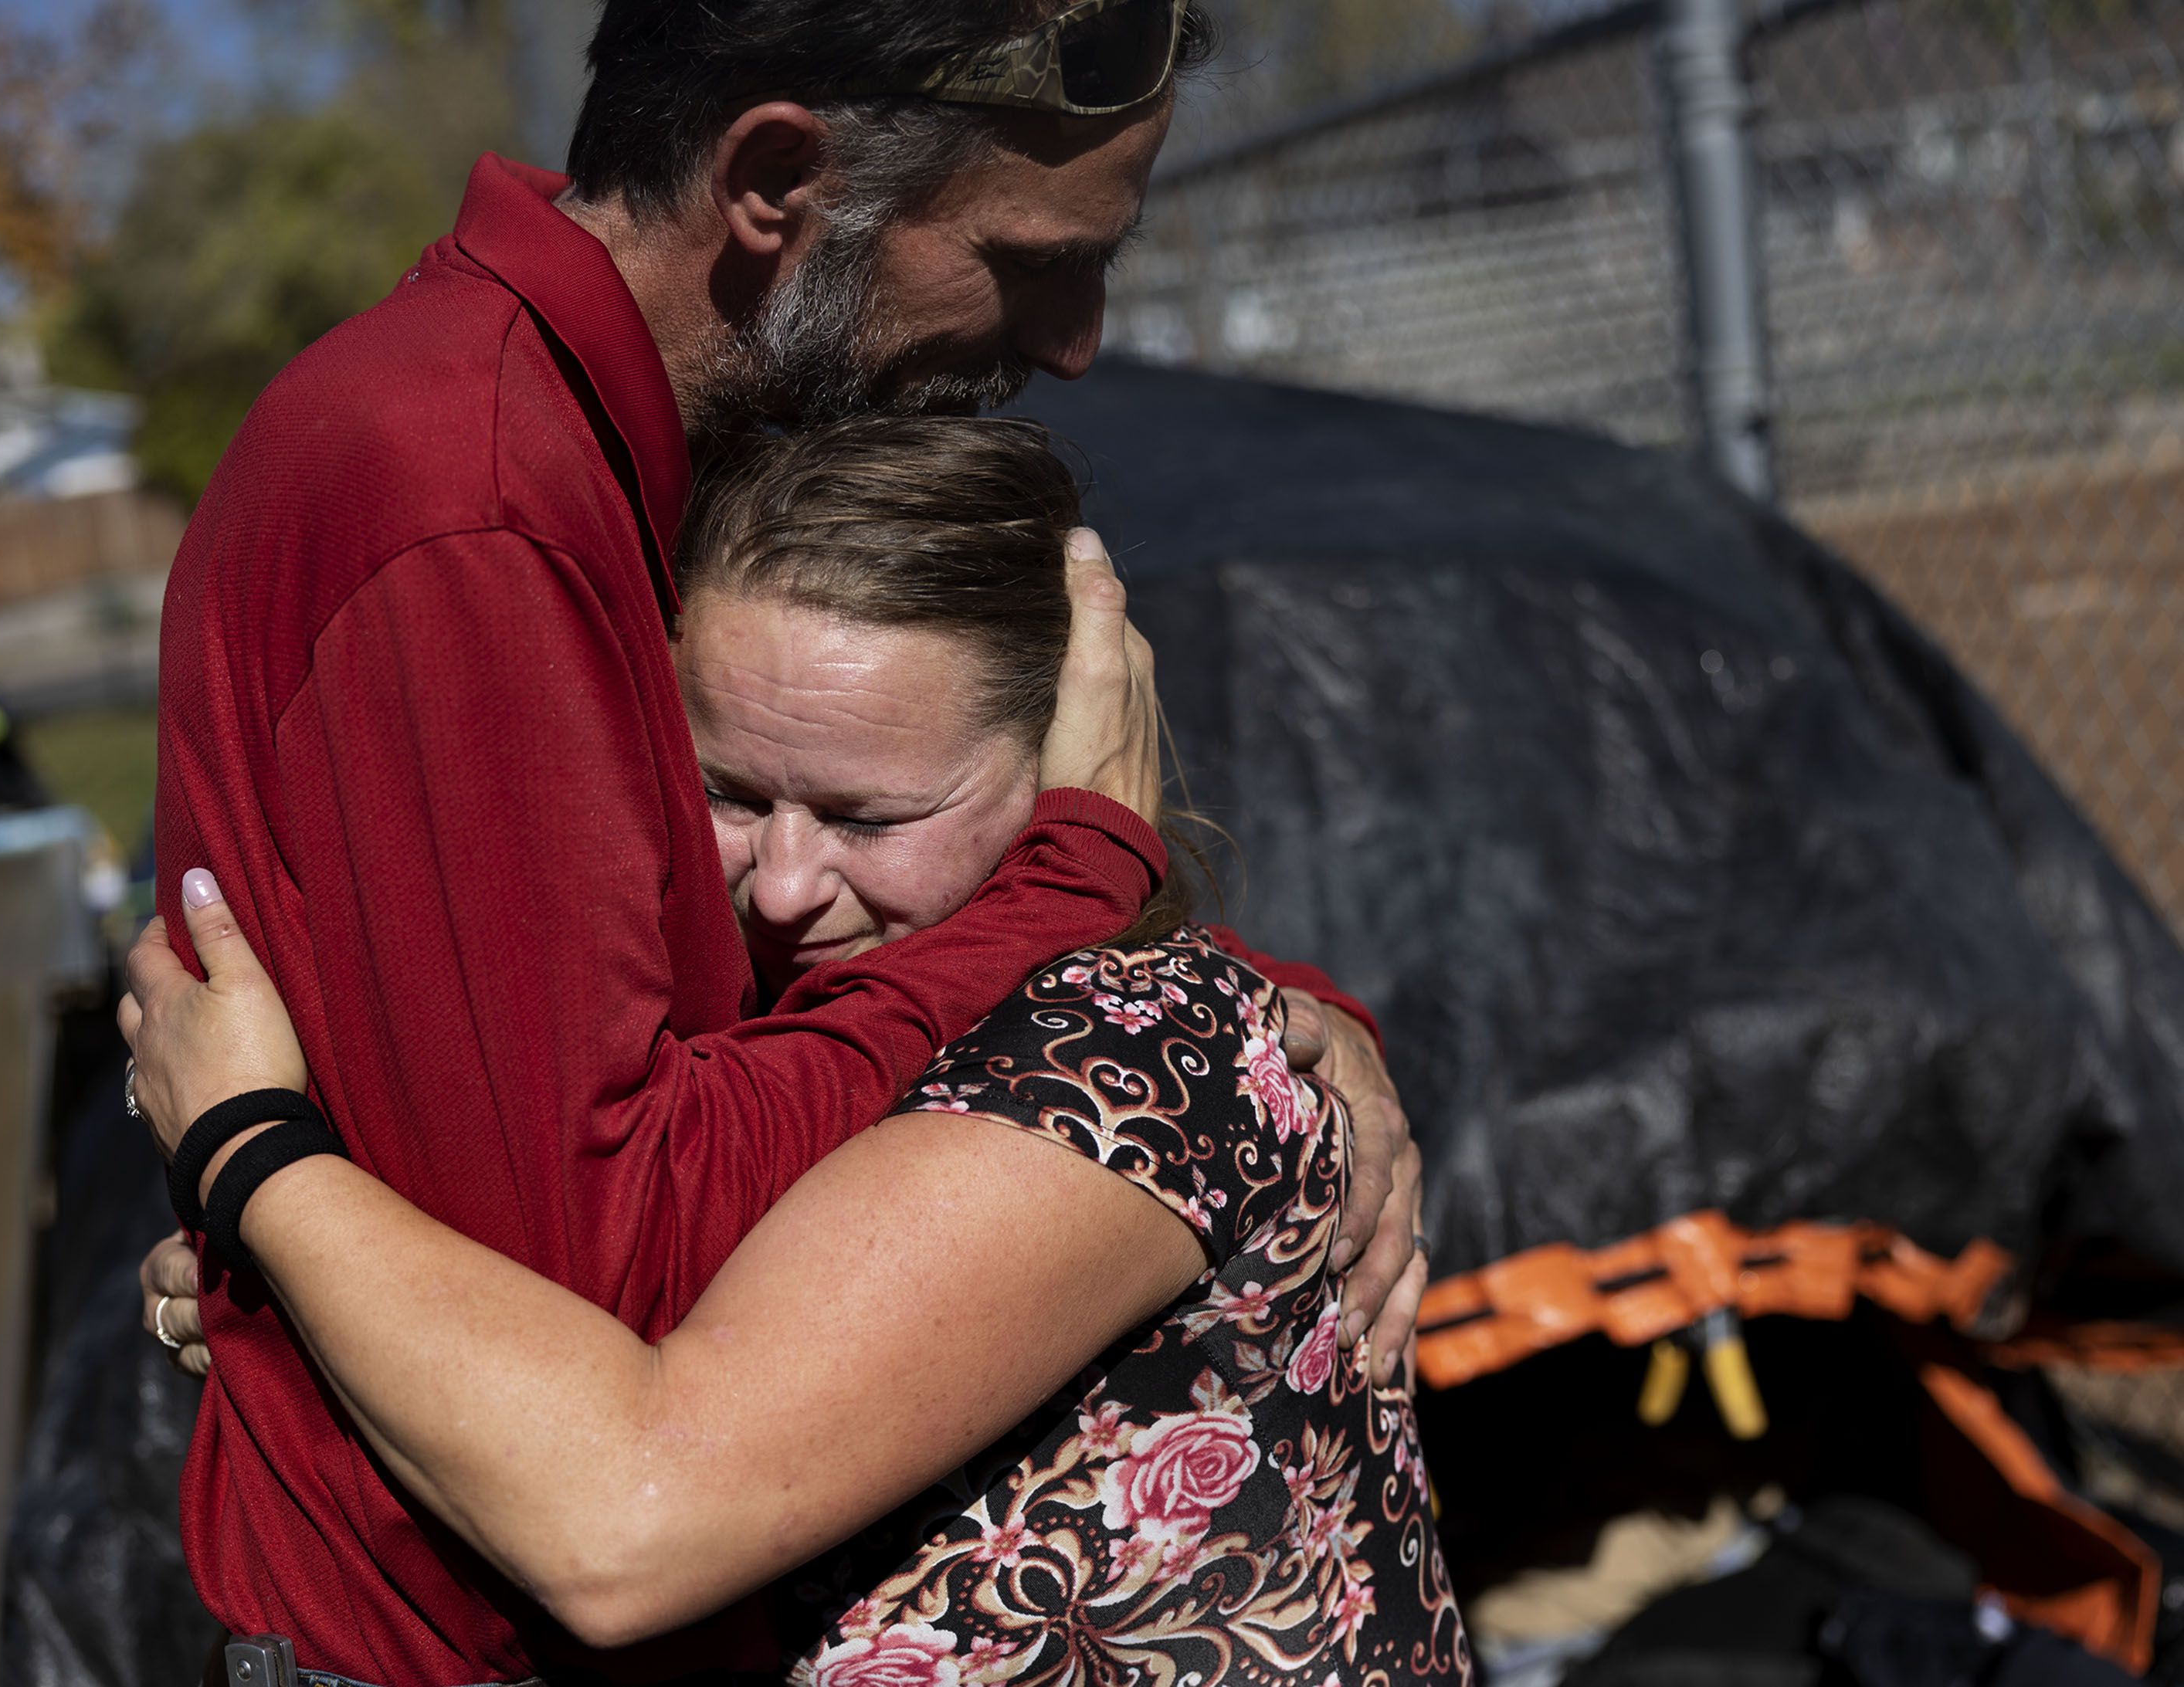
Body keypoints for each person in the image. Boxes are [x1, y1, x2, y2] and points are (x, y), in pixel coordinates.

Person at [148, 1, 1429, 1677]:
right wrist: (1073, 894)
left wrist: (1235, 1030)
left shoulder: (600, 447)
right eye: (1034, 254)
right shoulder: (468, 501)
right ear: (774, 181)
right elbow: (631, 1301)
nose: (1078, 338)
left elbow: (720, 1017)